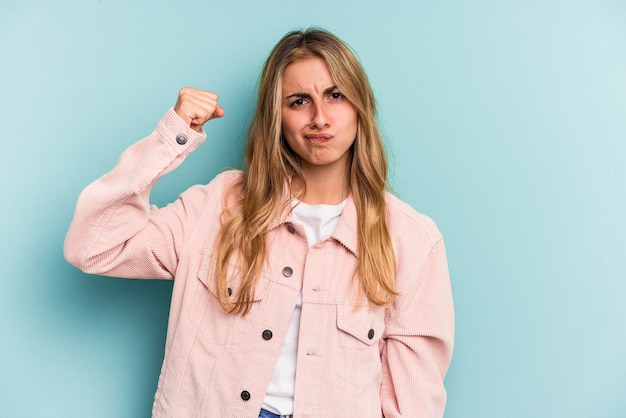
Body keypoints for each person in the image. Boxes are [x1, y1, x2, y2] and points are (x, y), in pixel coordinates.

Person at [64, 28, 454, 418]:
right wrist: (172, 136)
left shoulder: (410, 239)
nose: (320, 118)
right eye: (299, 101)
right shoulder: (219, 206)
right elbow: (94, 246)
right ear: (277, 117)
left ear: (359, 107)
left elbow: (412, 403)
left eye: (335, 95)